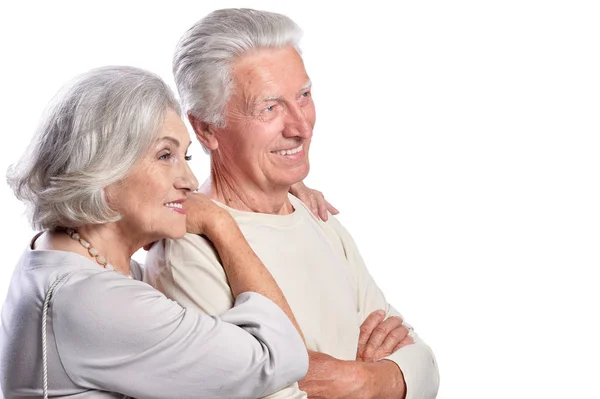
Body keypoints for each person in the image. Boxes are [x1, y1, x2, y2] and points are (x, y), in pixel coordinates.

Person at [146, 8, 440, 399]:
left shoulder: (317, 217)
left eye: (303, 96)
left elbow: (422, 366)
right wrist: (372, 376)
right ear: (205, 128)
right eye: (269, 108)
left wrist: (361, 381)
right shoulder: (186, 249)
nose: (300, 127)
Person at [0, 66, 309, 398]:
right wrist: (221, 225)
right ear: (101, 168)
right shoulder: (93, 300)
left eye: (185, 155)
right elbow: (281, 356)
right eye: (165, 155)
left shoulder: (62, 260)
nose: (189, 181)